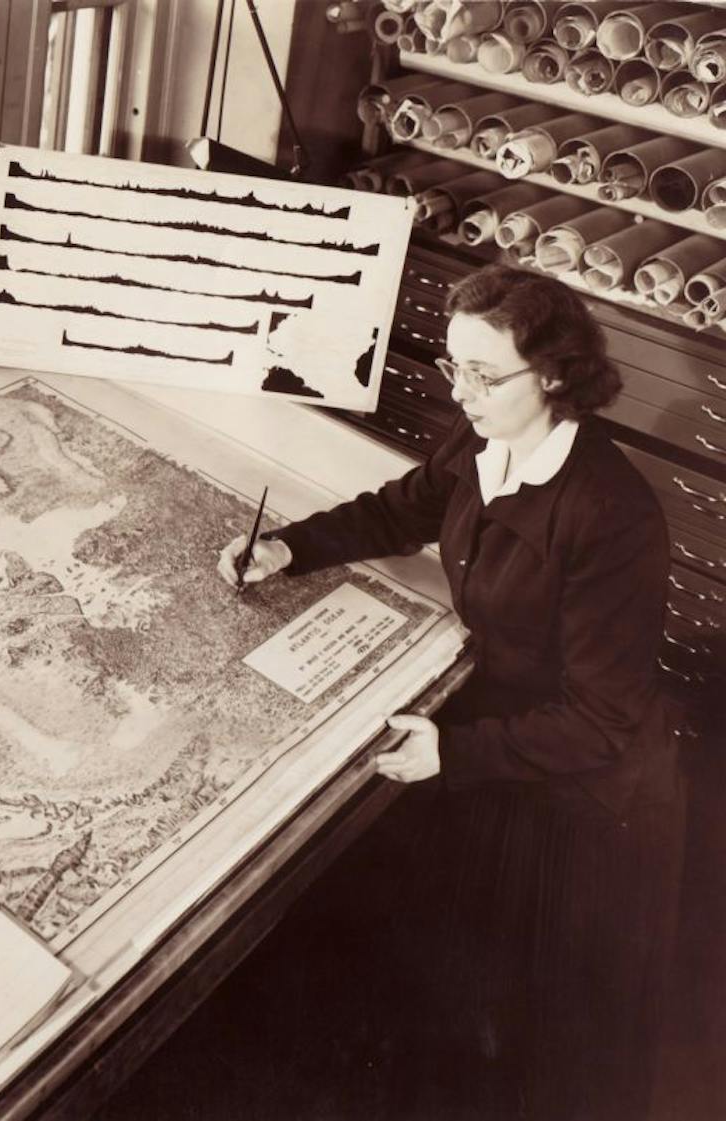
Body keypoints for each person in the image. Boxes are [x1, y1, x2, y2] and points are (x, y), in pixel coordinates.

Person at [217, 263, 682, 1121]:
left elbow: (603, 719)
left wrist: (453, 751)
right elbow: (403, 508)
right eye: (452, 366)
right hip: (497, 723)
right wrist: (291, 547)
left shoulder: (609, 514)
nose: (461, 392)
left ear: (554, 374)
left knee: (509, 1033)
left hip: (574, 789)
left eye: (485, 374)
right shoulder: (482, 442)